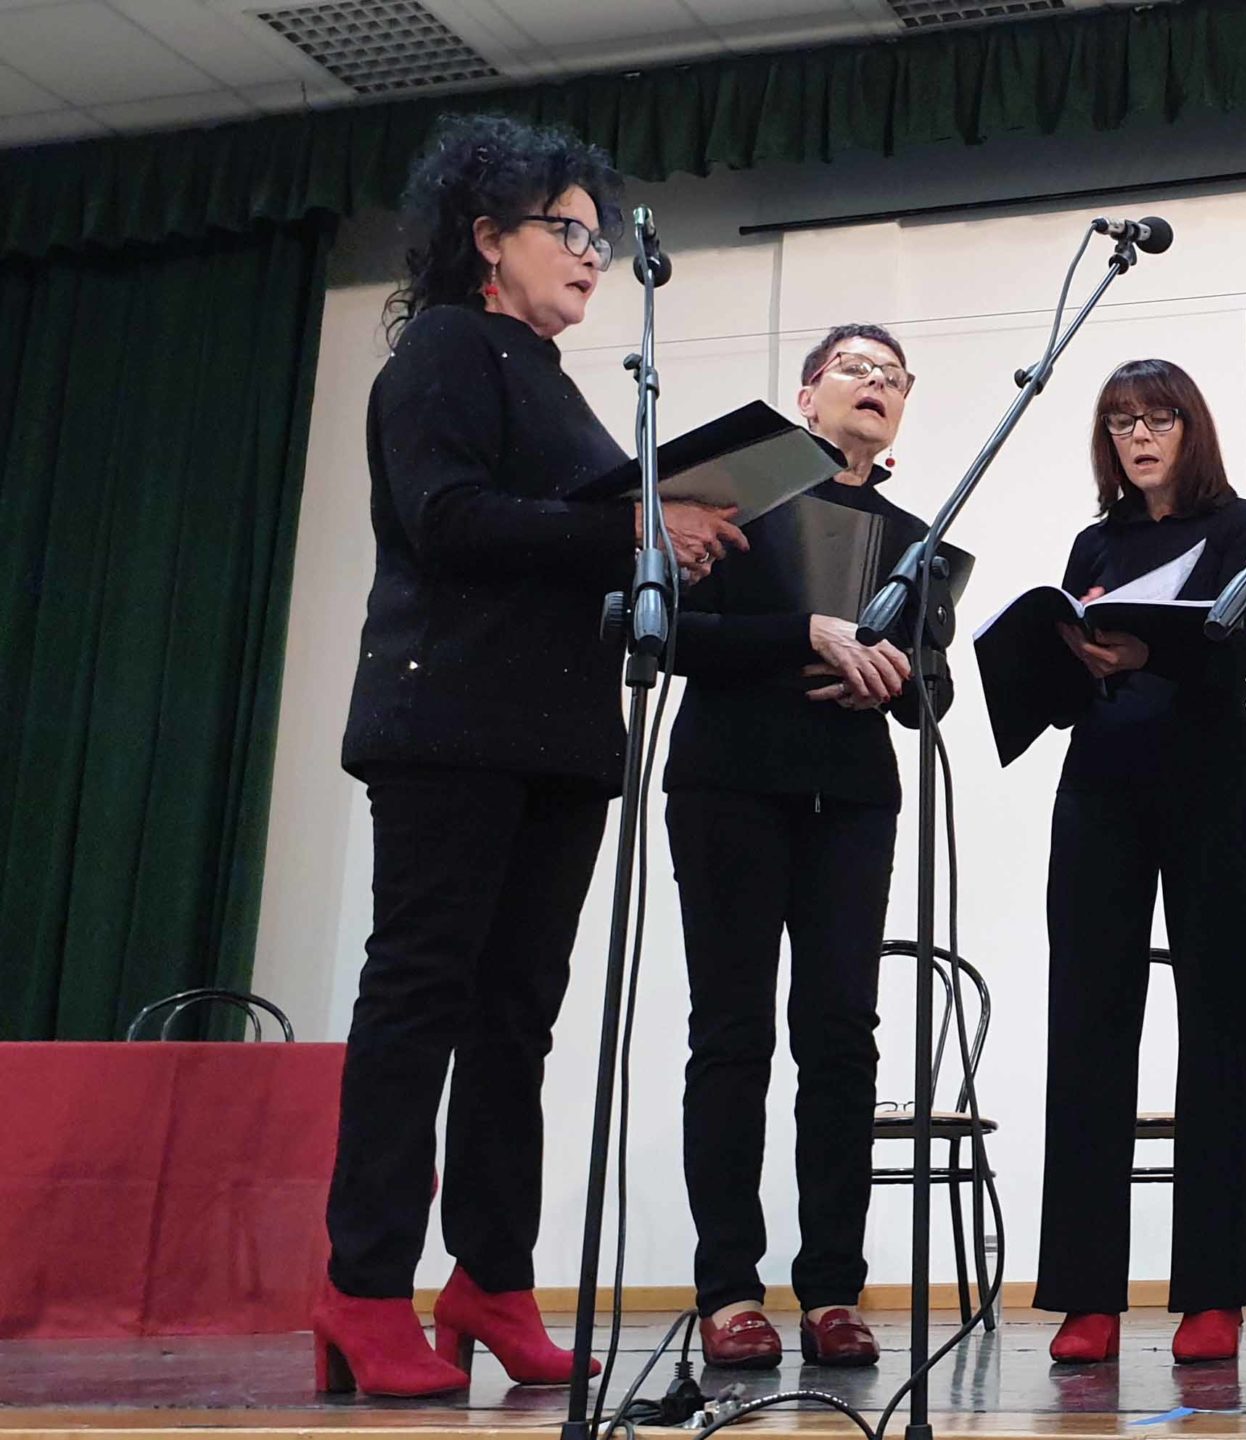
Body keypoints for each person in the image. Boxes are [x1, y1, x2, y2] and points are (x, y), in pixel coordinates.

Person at [319, 114, 745, 1398]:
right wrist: (634, 526)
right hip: (449, 727)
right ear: (485, 238)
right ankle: (361, 1286)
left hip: (556, 739)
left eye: (598, 235)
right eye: (566, 229)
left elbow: (572, 533)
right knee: (419, 1003)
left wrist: (674, 533)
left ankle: (490, 1281)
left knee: (517, 1022)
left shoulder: (549, 377)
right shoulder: (445, 350)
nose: (592, 253)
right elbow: (449, 521)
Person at [663, 324, 941, 1370]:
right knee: (731, 1035)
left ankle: (832, 1290)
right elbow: (673, 636)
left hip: (853, 798)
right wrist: (804, 635)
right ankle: (729, 1290)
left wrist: (898, 679)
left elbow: (935, 685)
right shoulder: (738, 497)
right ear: (806, 393)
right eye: (854, 369)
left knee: (842, 1040)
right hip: (729, 783)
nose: (876, 385)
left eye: (892, 377)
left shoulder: (914, 533)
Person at [1035, 360, 1246, 1366]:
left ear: (1191, 427)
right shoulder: (1096, 542)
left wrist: (1147, 653)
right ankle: (1086, 1295)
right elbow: (1069, 687)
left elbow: (1233, 654)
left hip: (1212, 783)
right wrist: (1056, 659)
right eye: (1120, 421)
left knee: (1218, 1026)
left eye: (1158, 417)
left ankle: (1211, 1294)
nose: (1138, 435)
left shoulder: (1243, 524)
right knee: (1088, 1026)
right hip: (1101, 784)